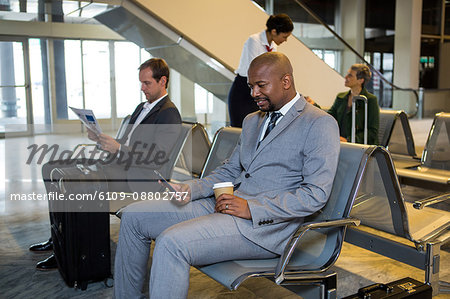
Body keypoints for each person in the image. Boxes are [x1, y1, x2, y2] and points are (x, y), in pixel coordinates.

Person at [113, 52, 340, 298]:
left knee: (171, 242)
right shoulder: (253, 120)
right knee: (134, 216)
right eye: (251, 86)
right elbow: (231, 170)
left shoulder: (318, 123)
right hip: (224, 204)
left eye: (261, 85)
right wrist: (191, 189)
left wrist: (252, 208)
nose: (254, 94)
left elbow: (314, 195)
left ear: (286, 81)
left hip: (264, 226)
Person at [29, 58, 182, 270]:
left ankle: (70, 249)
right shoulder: (141, 108)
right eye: (141, 83)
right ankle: (59, 236)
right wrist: (102, 141)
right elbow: (127, 145)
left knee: (75, 182)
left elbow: (156, 157)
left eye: (147, 83)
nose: (142, 88)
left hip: (139, 178)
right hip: (119, 166)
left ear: (163, 81)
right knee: (51, 168)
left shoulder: (169, 113)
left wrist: (118, 149)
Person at [228, 13, 293, 128]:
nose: (285, 40)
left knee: (258, 129)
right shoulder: (254, 40)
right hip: (244, 89)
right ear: (274, 32)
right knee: (240, 128)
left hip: (261, 89)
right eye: (284, 36)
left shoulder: (273, 46)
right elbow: (256, 69)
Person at [327, 64, 379, 144]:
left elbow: (372, 132)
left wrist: (349, 140)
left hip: (360, 148)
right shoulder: (341, 97)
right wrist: (314, 106)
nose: (346, 77)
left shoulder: (370, 100)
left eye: (350, 75)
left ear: (360, 80)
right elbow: (329, 117)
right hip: (341, 144)